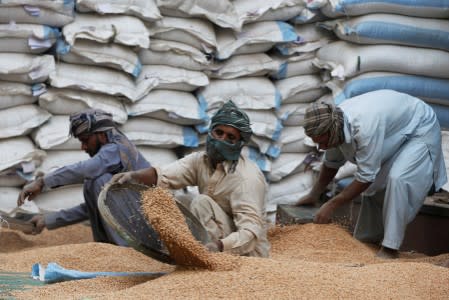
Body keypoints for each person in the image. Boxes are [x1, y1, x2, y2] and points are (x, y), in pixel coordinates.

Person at [296, 89, 447, 259]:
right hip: (396, 130)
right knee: (374, 187)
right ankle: (367, 241)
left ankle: (390, 248)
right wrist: (314, 194)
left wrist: (331, 205)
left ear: (332, 131)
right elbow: (331, 164)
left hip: (419, 126)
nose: (321, 148)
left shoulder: (364, 127)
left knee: (399, 179)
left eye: (322, 142)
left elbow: (365, 177)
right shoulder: (335, 125)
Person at [110, 100, 270, 257]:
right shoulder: (200, 161)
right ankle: (191, 254)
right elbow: (164, 175)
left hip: (247, 255)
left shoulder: (247, 179)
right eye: (219, 133)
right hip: (218, 237)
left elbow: (251, 233)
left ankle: (208, 258)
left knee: (201, 203)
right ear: (210, 132)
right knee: (182, 200)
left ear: (239, 144)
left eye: (230, 137)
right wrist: (134, 175)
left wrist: (219, 246)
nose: (222, 140)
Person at [17, 109, 151, 245]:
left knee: (99, 180)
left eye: (86, 140)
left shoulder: (117, 148)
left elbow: (87, 168)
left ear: (102, 135)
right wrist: (48, 219)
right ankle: (111, 250)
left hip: (146, 230)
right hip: (136, 223)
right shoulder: (110, 159)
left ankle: (127, 252)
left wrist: (42, 182)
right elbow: (93, 207)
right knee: (95, 182)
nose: (83, 147)